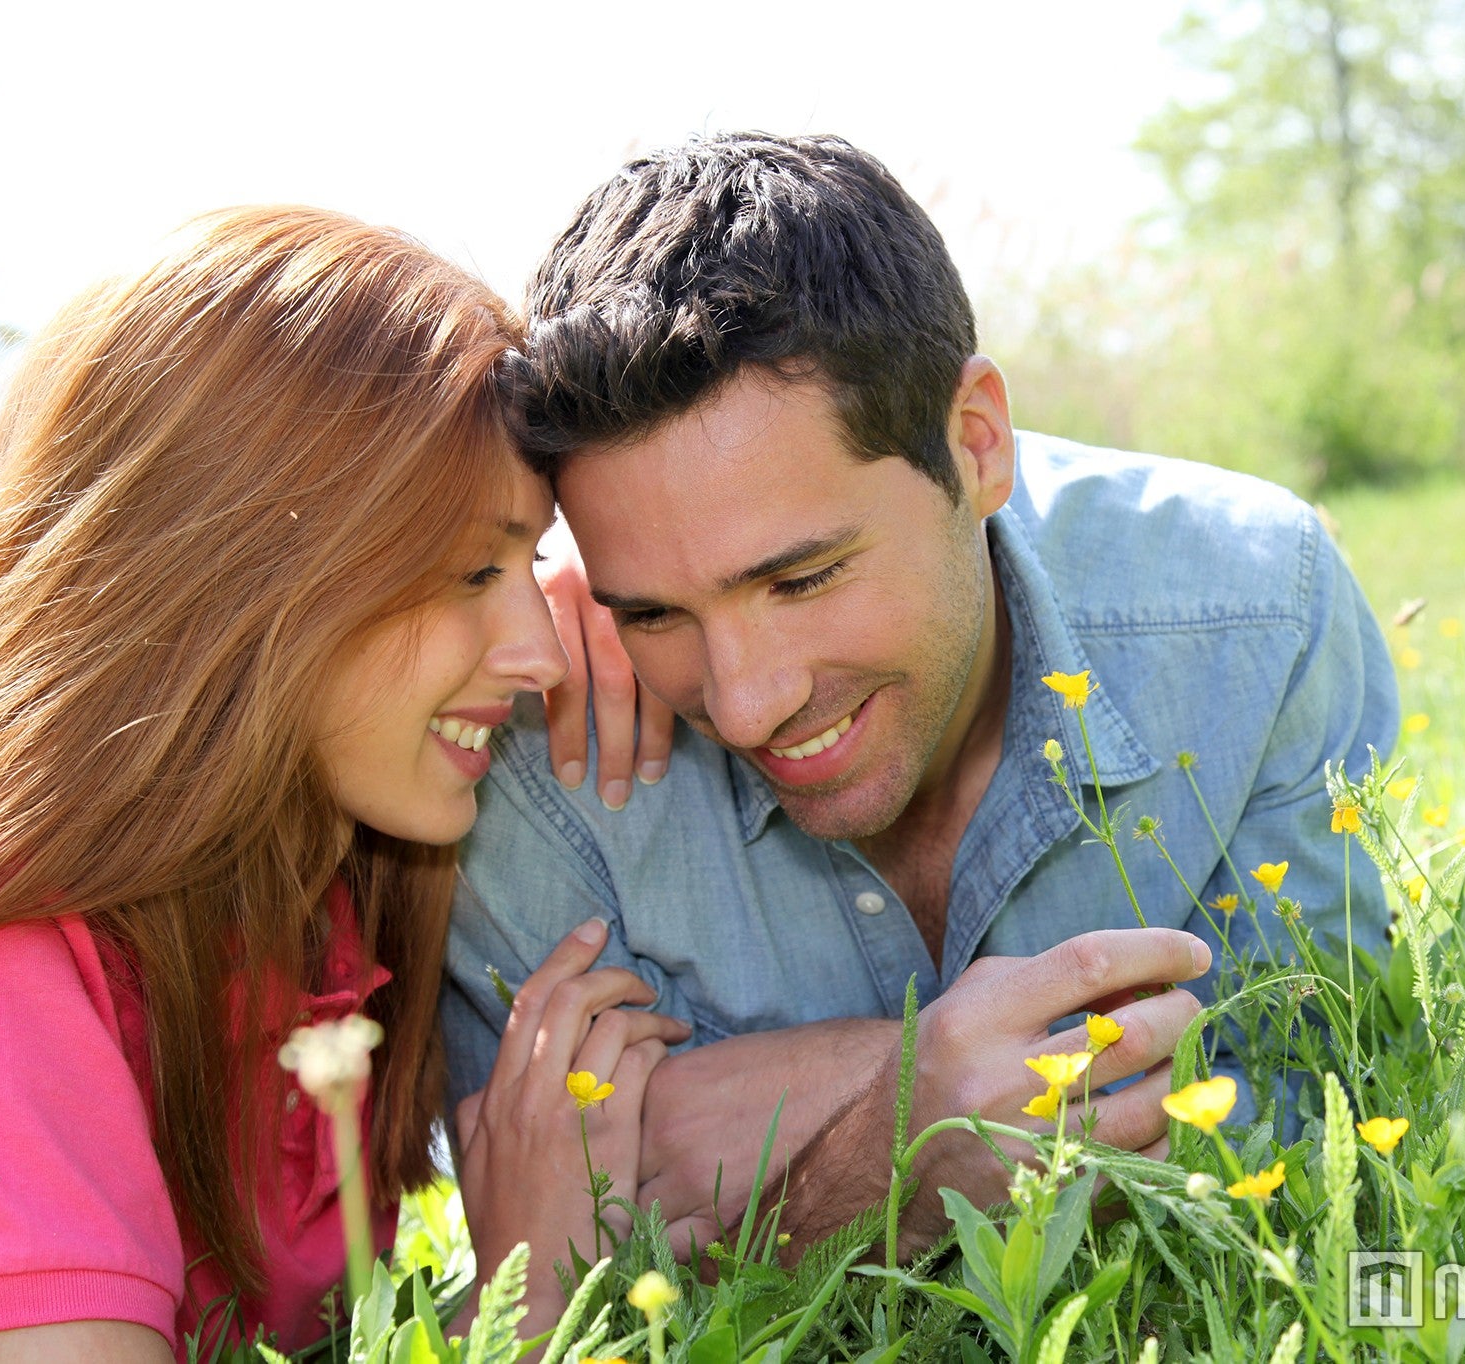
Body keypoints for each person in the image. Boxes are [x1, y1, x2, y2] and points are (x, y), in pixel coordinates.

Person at [441, 132, 1399, 1258]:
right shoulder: (528, 764)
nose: (746, 705)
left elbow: (1330, 1106)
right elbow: (561, 1258)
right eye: (650, 612)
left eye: (800, 577)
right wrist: (910, 1106)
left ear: (976, 444)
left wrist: (763, 1122)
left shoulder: (1254, 608)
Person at [0, 208, 679, 1362]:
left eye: (527, 561)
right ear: (237, 580)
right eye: (469, 567)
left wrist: (642, 601)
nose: (536, 654)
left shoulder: (300, 896)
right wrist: (513, 1312)